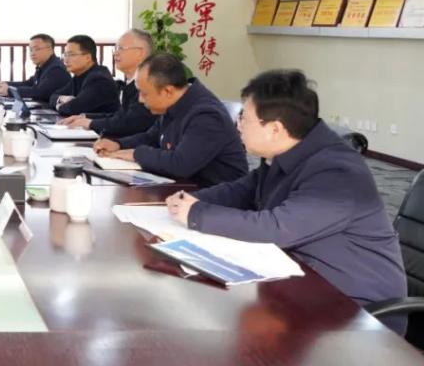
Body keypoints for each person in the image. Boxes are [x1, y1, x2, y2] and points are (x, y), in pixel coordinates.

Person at [166, 70, 407, 324]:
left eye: (244, 118)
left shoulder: (338, 173)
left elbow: (277, 227)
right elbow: (243, 190)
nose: (238, 125)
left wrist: (197, 213)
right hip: (303, 282)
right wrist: (187, 200)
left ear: (275, 129)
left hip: (357, 309)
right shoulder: (290, 152)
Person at [94, 53, 247, 186]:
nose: (140, 99)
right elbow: (151, 137)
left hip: (213, 196)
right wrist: (118, 144)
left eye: (144, 93)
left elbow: (181, 164)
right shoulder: (175, 103)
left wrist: (136, 154)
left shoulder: (206, 115)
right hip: (183, 187)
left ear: (167, 91)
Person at [62, 29, 155, 137]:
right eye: (115, 48)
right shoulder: (131, 83)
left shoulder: (150, 84)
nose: (115, 53)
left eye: (121, 48)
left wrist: (90, 123)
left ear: (139, 53)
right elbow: (119, 116)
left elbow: (131, 123)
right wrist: (85, 117)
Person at [47, 34, 118, 116]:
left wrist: (59, 106)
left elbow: (72, 109)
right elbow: (53, 96)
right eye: (65, 55)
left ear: (88, 58)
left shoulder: (99, 79)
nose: (65, 60)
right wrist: (62, 98)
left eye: (71, 55)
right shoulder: (79, 76)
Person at [0, 33, 70, 102]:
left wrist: (9, 91)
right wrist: (6, 84)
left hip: (55, 111)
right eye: (30, 50)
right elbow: (29, 83)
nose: (32, 53)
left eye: (37, 49)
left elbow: (39, 92)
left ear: (50, 49)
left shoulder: (56, 69)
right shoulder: (45, 66)